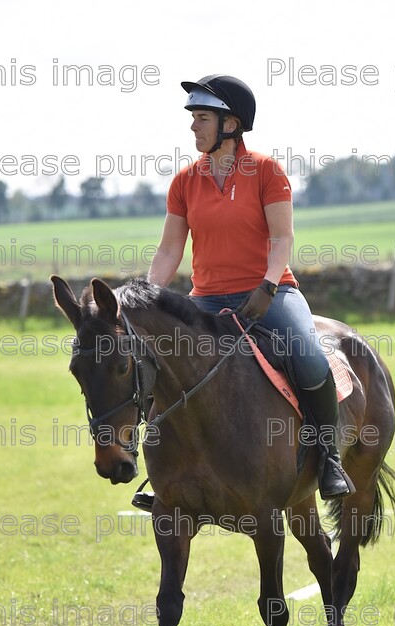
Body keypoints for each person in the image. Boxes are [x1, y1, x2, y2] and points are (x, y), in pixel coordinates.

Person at [132, 74, 355, 509]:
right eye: (193, 118)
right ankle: (165, 476)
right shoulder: (184, 182)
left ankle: (328, 458)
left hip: (270, 292)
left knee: (308, 358)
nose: (193, 127)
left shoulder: (267, 171)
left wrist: (268, 287)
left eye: (201, 118)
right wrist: (142, 299)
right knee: (160, 362)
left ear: (230, 124)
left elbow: (282, 239)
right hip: (207, 299)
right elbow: (169, 249)